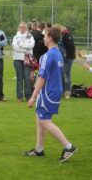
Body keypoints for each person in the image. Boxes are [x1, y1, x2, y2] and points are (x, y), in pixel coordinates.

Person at [25, 27, 77, 162]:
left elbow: (42, 77)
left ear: (50, 38)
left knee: (44, 121)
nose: (43, 38)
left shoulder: (47, 56)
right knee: (39, 119)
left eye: (45, 36)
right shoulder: (57, 53)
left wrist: (33, 96)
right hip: (55, 89)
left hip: (48, 92)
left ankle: (69, 146)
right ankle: (39, 150)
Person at [12, 22, 35, 102]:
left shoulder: (30, 36)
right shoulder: (15, 37)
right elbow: (15, 47)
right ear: (18, 28)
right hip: (17, 59)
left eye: (24, 27)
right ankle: (19, 97)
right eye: (20, 27)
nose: (22, 28)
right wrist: (25, 48)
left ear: (26, 28)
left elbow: (31, 45)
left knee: (27, 78)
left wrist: (21, 45)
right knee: (19, 78)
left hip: (27, 60)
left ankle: (28, 96)